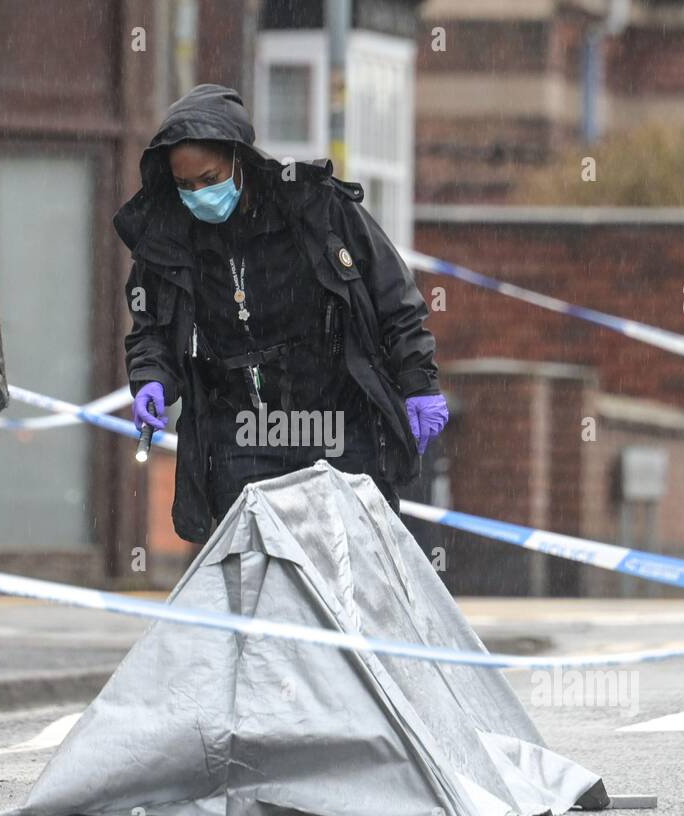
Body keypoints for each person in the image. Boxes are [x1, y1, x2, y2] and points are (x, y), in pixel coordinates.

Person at [114, 83, 448, 543]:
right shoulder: (167, 241)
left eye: (209, 179)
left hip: (337, 420)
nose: (198, 194)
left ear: (238, 160)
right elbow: (150, 325)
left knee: (355, 565)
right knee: (255, 574)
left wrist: (419, 384)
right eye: (185, 185)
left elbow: (395, 299)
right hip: (241, 433)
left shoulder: (316, 207)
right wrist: (151, 377)